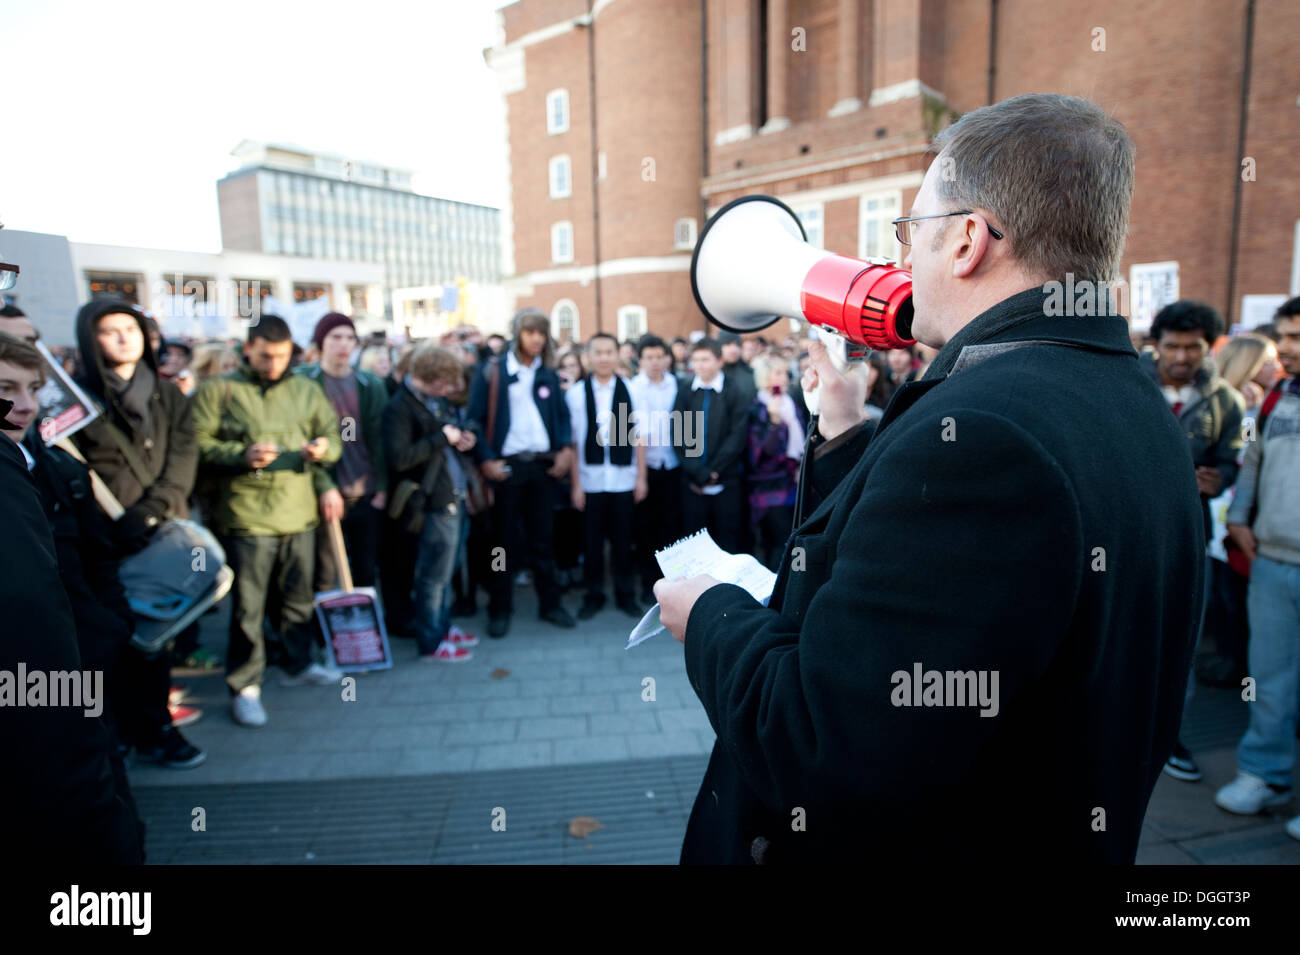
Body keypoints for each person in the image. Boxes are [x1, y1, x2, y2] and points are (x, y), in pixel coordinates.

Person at [654, 93, 1203, 865]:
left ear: (969, 241)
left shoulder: (983, 436)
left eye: (912, 230)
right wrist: (852, 439)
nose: (903, 257)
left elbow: (826, 748)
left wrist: (710, 613)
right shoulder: (1130, 399)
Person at [0, 338, 146, 864]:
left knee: (108, 800)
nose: (24, 403)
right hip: (40, 694)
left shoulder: (60, 468)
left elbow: (98, 558)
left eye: (32, 388)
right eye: (4, 389)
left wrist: (112, 626)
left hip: (84, 663)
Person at [70, 300, 204, 767]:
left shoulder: (168, 396)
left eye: (131, 327)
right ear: (92, 339)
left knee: (156, 636)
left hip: (159, 532)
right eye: (110, 330)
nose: (124, 337)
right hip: (101, 541)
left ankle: (156, 728)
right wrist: (103, 526)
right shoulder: (75, 400)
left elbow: (184, 457)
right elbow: (72, 467)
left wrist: (152, 510)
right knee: (111, 637)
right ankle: (121, 730)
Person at [191, 314, 343, 727]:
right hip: (246, 516)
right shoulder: (218, 390)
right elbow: (197, 445)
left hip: (299, 512)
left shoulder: (305, 388)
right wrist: (241, 455)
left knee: (297, 598)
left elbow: (332, 436)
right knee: (248, 608)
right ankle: (245, 684)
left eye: (281, 356)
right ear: (247, 349)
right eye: (265, 356)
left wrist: (324, 450)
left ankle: (298, 664)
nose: (274, 364)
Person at [1142, 300, 1244, 783]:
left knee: (1180, 639)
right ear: (1155, 346)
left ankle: (1170, 737)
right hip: (1129, 533)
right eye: (1173, 346)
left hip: (1189, 537)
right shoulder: (1128, 383)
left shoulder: (1226, 400)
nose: (1182, 356)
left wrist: (1217, 478)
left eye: (1193, 347)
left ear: (1209, 348)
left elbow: (1232, 459)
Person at [1219, 297, 1300, 844]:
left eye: (1297, 337)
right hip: (1272, 561)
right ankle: (1264, 774)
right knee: (1268, 677)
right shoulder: (1277, 397)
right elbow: (1252, 459)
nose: (1287, 347)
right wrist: (1241, 517)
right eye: (1287, 336)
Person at [467, 309, 577, 637]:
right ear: (518, 334)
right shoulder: (493, 371)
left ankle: (550, 603)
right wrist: (486, 460)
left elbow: (561, 417)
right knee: (502, 543)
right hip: (506, 469)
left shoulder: (548, 373)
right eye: (530, 332)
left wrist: (565, 451)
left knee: (543, 539)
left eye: (541, 333)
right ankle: (500, 607)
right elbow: (473, 419)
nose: (537, 339)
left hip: (543, 468)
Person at [383, 342, 479, 662]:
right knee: (432, 577)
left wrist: (461, 437)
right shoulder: (400, 406)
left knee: (445, 573)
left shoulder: (432, 400)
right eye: (444, 383)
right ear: (430, 377)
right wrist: (443, 438)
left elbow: (445, 437)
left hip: (453, 497)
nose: (449, 389)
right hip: (434, 504)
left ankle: (442, 627)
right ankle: (430, 642)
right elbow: (399, 458)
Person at [294, 313, 389, 595]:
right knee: (323, 572)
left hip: (364, 490)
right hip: (322, 491)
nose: (343, 344)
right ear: (321, 341)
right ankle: (323, 634)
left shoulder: (369, 383)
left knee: (365, 569)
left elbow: (380, 440)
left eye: (350, 338)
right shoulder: (304, 381)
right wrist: (323, 484)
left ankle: (363, 635)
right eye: (336, 337)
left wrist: (382, 486)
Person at [567, 333, 647, 619]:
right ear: (589, 357)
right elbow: (574, 442)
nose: (603, 357)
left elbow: (639, 437)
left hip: (624, 479)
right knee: (591, 543)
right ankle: (594, 595)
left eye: (609, 352)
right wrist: (576, 485)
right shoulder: (576, 393)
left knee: (623, 542)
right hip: (590, 480)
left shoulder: (632, 389)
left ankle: (626, 594)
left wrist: (641, 478)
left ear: (617, 356)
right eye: (597, 352)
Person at [671, 338, 749, 554]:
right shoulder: (685, 391)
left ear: (719, 361)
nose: (699, 365)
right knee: (696, 544)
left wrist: (713, 472)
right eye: (695, 360)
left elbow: (737, 437)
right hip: (693, 483)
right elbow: (678, 436)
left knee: (727, 542)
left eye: (705, 359)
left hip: (726, 481)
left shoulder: (734, 392)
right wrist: (698, 472)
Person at [630, 334, 681, 604]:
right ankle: (648, 584)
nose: (655, 362)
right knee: (646, 529)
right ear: (640, 361)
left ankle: (672, 584)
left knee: (671, 526)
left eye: (659, 356)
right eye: (649, 357)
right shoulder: (633, 387)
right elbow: (638, 433)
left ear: (667, 358)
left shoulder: (677, 383)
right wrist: (640, 478)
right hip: (646, 466)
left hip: (673, 463)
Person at [746, 356, 805, 571]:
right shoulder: (758, 408)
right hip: (769, 487)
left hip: (791, 481)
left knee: (789, 541)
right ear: (766, 379)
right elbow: (763, 452)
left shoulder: (790, 403)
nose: (785, 377)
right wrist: (773, 421)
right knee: (776, 544)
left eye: (785, 372)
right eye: (778, 373)